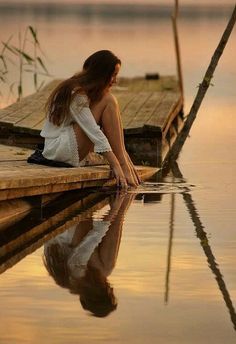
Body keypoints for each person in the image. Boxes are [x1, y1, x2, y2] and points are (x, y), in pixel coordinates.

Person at [40, 50, 141, 189]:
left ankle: (125, 160)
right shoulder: (75, 92)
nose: (115, 80)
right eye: (113, 75)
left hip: (62, 147)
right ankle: (123, 163)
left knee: (109, 99)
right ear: (101, 73)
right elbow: (93, 131)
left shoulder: (86, 90)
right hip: (58, 150)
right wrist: (116, 164)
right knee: (109, 100)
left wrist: (124, 158)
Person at [43, 192, 135, 317]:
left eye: (109, 290)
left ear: (98, 292)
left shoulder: (76, 275)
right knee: (106, 268)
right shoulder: (91, 276)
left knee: (106, 267)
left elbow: (90, 240)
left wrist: (113, 211)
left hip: (61, 227)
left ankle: (120, 210)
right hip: (72, 231)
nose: (111, 287)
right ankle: (121, 209)